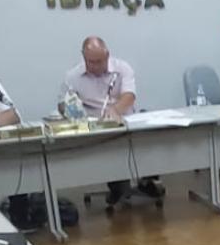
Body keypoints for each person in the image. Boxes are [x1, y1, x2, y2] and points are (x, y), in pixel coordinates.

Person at [60, 36, 161, 205]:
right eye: (91, 62)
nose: (95, 66)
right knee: (108, 155)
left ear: (107, 55)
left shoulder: (122, 69)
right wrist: (69, 109)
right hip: (93, 128)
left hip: (123, 121)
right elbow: (62, 104)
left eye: (99, 61)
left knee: (147, 140)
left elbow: (129, 95)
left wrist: (115, 110)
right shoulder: (72, 76)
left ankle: (145, 180)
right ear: (83, 57)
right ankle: (117, 186)